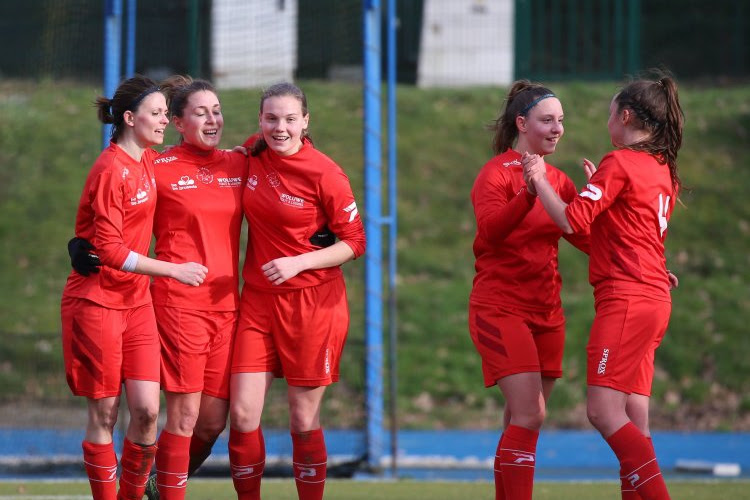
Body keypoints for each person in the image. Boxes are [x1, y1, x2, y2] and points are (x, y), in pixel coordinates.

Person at [523, 74, 684, 500]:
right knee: (635, 416)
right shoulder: (659, 166)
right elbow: (631, 230)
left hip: (628, 298)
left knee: (602, 410)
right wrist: (599, 189)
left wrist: (539, 180)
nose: (607, 120)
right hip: (654, 297)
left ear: (626, 115)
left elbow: (572, 221)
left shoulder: (622, 162)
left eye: (611, 112)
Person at [60, 75, 207, 500]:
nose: (164, 120)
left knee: (146, 412)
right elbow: (106, 248)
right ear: (129, 118)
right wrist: (172, 270)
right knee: (105, 415)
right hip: (97, 302)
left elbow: (197, 151)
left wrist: (253, 145)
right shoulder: (111, 169)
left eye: (166, 112)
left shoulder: (146, 158)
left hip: (135, 303)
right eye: (158, 114)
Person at [228, 82, 366, 500]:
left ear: (306, 121)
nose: (280, 127)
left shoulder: (326, 173)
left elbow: (355, 242)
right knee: (242, 414)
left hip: (314, 305)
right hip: (257, 302)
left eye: (290, 119)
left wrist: (299, 262)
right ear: (260, 121)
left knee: (303, 418)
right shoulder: (253, 152)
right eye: (271, 118)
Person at [468, 80, 590, 500]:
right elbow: (489, 236)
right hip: (500, 309)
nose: (557, 129)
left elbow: (586, 236)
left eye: (561, 121)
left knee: (522, 420)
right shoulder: (495, 174)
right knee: (530, 414)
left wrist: (645, 267)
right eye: (547, 120)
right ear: (522, 123)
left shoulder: (558, 178)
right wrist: (527, 191)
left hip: (547, 314)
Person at [147, 75, 248, 500]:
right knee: (184, 416)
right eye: (201, 112)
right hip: (178, 306)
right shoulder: (157, 167)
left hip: (228, 308)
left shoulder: (239, 163)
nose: (212, 119)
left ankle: (149, 484)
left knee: (211, 423)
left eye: (217, 110)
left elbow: (289, 143)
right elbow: (122, 217)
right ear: (177, 122)